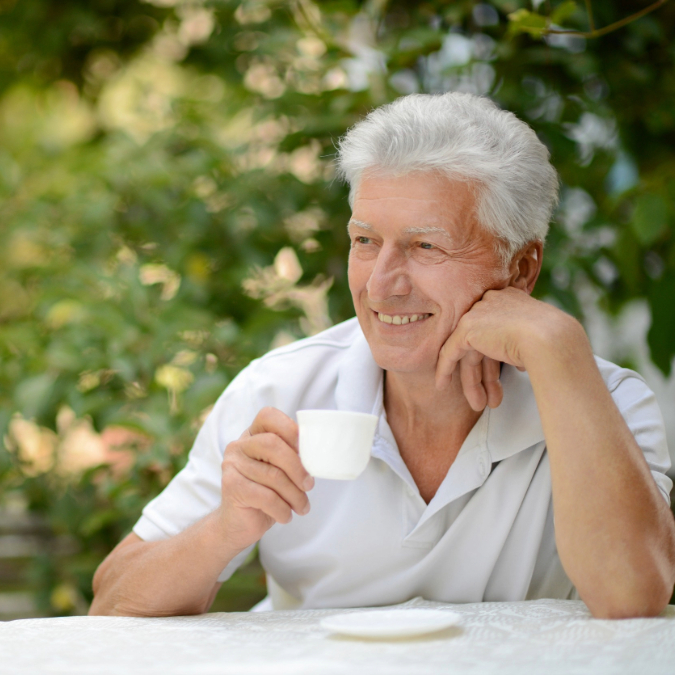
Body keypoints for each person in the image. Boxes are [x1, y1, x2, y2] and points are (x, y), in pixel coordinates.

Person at [90, 92, 675, 619]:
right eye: (365, 241)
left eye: (425, 246)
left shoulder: (605, 401)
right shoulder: (278, 391)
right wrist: (225, 528)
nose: (380, 285)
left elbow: (635, 596)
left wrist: (558, 348)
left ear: (520, 268)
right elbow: (113, 602)